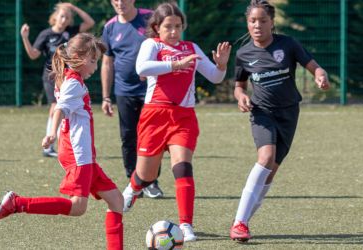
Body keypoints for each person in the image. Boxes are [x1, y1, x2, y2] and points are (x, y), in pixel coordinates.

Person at [0, 33, 124, 250]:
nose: (95, 66)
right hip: (78, 154)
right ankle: (17, 203)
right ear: (79, 58)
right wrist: (51, 133)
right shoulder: (73, 83)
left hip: (84, 155)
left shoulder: (71, 77)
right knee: (78, 207)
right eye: (93, 61)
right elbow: (59, 110)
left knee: (117, 201)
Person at [121, 2, 231, 242]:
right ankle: (134, 188)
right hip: (155, 116)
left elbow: (214, 77)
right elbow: (142, 67)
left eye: (178, 26)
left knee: (182, 167)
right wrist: (175, 64)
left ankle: (186, 224)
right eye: (168, 27)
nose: (173, 31)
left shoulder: (191, 47)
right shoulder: (151, 44)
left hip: (183, 117)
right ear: (157, 27)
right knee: (146, 174)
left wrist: (221, 65)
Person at [229, 0, 330, 242]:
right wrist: (242, 96)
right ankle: (239, 223)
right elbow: (239, 86)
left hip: (289, 113)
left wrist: (321, 75)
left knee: (270, 171)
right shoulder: (243, 53)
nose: (257, 25)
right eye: (253, 21)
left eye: (263, 21)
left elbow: (314, 67)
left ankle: (244, 223)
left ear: (272, 23)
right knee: (265, 158)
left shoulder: (288, 44)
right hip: (261, 112)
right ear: (247, 23)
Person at [101, 0, 163, 198]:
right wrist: (106, 96)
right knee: (128, 136)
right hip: (124, 91)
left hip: (152, 89)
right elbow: (107, 63)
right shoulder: (109, 27)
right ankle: (134, 180)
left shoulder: (149, 18)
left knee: (152, 136)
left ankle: (151, 181)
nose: (120, 3)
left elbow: (164, 47)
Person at [20, 2, 95, 157]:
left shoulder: (70, 33)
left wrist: (74, 8)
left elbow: (90, 23)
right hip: (51, 76)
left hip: (67, 76)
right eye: (62, 16)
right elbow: (33, 54)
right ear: (55, 17)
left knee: (67, 108)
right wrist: (25, 38)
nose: (64, 20)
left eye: (67, 17)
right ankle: (49, 145)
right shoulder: (46, 34)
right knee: (56, 106)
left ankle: (64, 144)